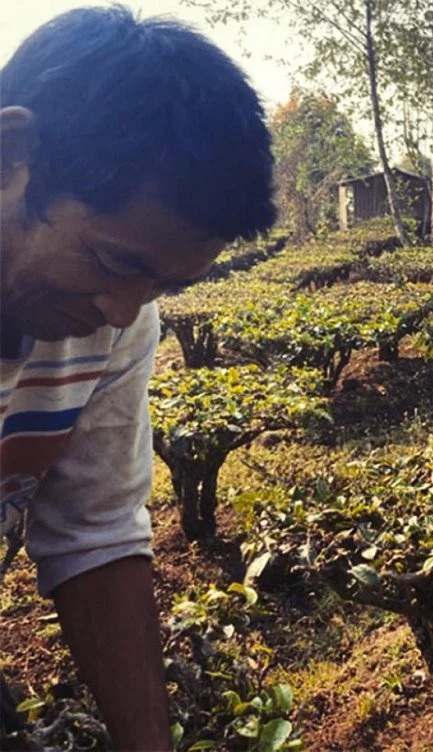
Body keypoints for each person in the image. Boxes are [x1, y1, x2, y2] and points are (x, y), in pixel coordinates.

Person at [0, 7, 275, 748]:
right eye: (115, 263)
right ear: (12, 153)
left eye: (162, 286)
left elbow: (94, 537)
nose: (121, 312)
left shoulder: (117, 316)